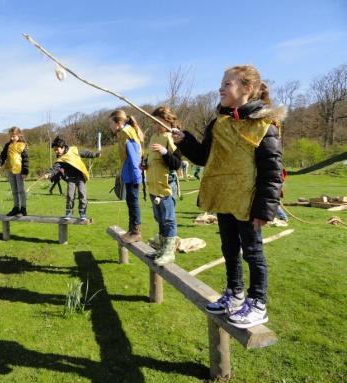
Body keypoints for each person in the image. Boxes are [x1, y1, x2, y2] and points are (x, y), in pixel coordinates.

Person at [172, 65, 284, 328]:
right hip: (224, 198)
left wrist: (264, 209)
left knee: (253, 252)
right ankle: (235, 294)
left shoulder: (264, 125)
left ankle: (258, 302)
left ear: (247, 89)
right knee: (229, 249)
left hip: (248, 202)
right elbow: (202, 157)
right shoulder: (218, 123)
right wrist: (184, 140)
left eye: (227, 84)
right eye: (221, 84)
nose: (220, 88)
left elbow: (272, 171)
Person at [146, 106, 181, 266]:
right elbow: (151, 159)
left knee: (168, 220)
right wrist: (144, 165)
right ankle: (161, 248)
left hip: (166, 186)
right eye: (154, 122)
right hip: (153, 186)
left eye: (158, 121)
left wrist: (164, 152)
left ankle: (169, 252)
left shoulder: (173, 137)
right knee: (159, 218)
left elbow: (176, 164)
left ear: (167, 120)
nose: (156, 125)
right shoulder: (153, 136)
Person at [108, 110, 144, 243]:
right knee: (130, 201)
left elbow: (135, 156)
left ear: (118, 123)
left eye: (110, 123)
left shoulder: (127, 133)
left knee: (133, 201)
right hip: (128, 173)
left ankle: (136, 232)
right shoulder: (123, 133)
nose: (109, 126)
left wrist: (136, 176)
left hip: (133, 174)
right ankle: (131, 230)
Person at [46, 136, 100, 220]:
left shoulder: (73, 150)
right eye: (54, 150)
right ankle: (68, 212)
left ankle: (82, 212)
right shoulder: (61, 159)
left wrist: (95, 154)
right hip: (71, 178)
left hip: (80, 177)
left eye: (57, 149)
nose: (56, 151)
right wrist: (49, 173)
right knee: (70, 196)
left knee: (82, 194)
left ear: (63, 147)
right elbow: (55, 168)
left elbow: (85, 153)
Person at [0, 127, 29, 216]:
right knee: (14, 190)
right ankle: (16, 207)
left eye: (14, 136)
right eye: (11, 136)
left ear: (19, 135)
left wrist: (25, 172)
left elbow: (26, 159)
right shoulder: (7, 145)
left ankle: (23, 209)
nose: (12, 138)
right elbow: (2, 156)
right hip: (10, 170)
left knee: (21, 190)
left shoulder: (23, 145)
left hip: (19, 170)